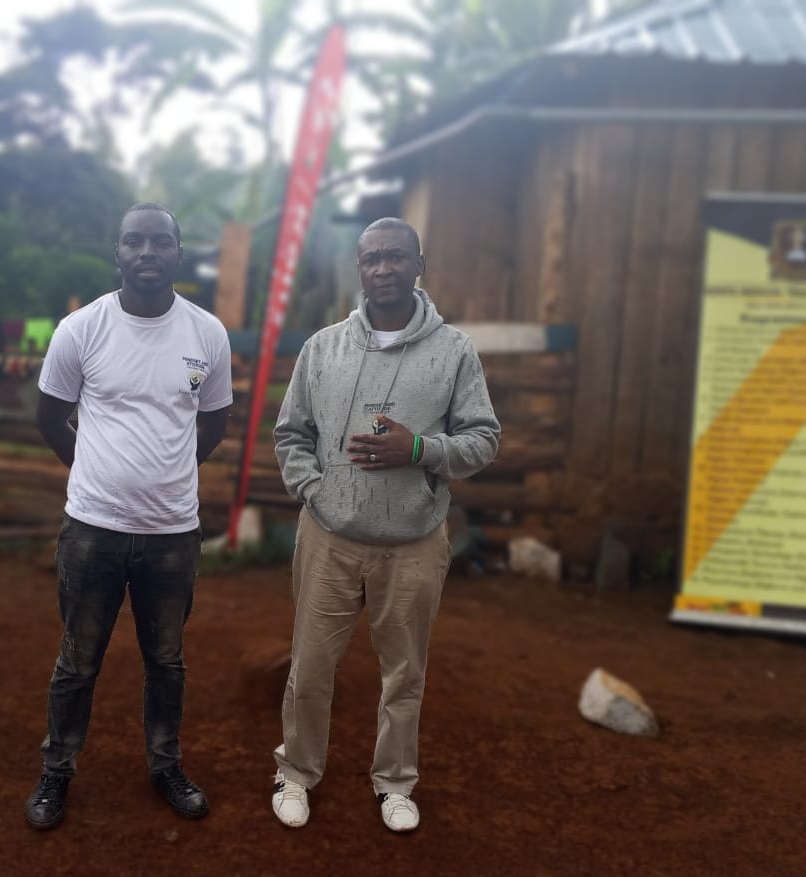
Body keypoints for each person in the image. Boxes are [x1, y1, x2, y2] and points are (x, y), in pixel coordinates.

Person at [269, 218, 500, 833]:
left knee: (404, 673)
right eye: (372, 258)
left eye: (396, 257)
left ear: (419, 263)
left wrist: (420, 450)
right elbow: (292, 434)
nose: (383, 269)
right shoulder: (323, 348)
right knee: (311, 666)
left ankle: (395, 782)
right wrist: (316, 492)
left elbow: (484, 440)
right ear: (360, 268)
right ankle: (296, 772)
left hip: (414, 544)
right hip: (330, 538)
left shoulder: (454, 352)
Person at [26, 202, 232, 831]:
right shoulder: (80, 330)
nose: (148, 252)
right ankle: (57, 770)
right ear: (116, 252)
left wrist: (164, 476)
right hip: (92, 529)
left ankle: (165, 764)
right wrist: (95, 469)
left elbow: (213, 424)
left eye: (160, 242)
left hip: (173, 532)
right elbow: (48, 417)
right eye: (134, 242)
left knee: (166, 661)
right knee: (78, 659)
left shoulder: (207, 333)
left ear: (178, 252)